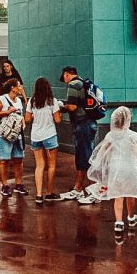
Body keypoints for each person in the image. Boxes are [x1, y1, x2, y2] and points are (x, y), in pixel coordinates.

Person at [87, 106, 137, 238]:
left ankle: (118, 222)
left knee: (118, 196)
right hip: (130, 169)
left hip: (116, 169)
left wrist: (97, 162)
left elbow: (103, 151)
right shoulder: (133, 136)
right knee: (130, 195)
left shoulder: (110, 136)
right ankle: (131, 217)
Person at [58, 66, 98, 202]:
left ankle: (93, 191)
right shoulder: (83, 82)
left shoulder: (73, 85)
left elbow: (73, 106)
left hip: (82, 124)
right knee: (85, 155)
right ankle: (79, 188)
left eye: (64, 77)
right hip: (89, 122)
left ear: (66, 74)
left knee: (84, 157)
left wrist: (61, 106)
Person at [25, 76, 62, 204]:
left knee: (39, 165)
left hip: (36, 135)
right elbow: (57, 120)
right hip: (50, 135)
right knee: (51, 166)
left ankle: (39, 195)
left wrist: (36, 116)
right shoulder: (53, 101)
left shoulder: (32, 101)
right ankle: (49, 192)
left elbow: (27, 119)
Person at [0, 78, 27, 197]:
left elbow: (21, 114)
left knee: (18, 159)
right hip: (4, 134)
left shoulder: (19, 101)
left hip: (17, 133)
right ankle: (5, 185)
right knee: (4, 160)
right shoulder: (1, 99)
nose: (21, 88)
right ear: (13, 87)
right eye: (19, 86)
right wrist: (6, 112)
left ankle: (18, 184)